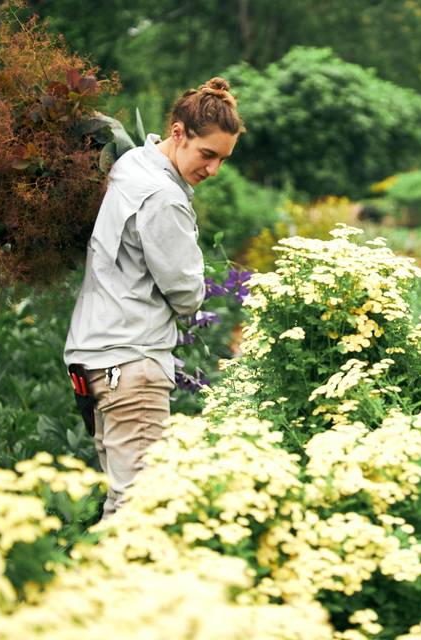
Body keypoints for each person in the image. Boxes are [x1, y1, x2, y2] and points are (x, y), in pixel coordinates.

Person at [65, 77, 244, 518]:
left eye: (223, 159)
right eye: (208, 154)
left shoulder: (131, 166)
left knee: (122, 500)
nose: (213, 169)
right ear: (179, 133)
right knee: (140, 509)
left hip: (95, 357)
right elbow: (187, 294)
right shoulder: (163, 197)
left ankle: (87, 584)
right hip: (132, 363)